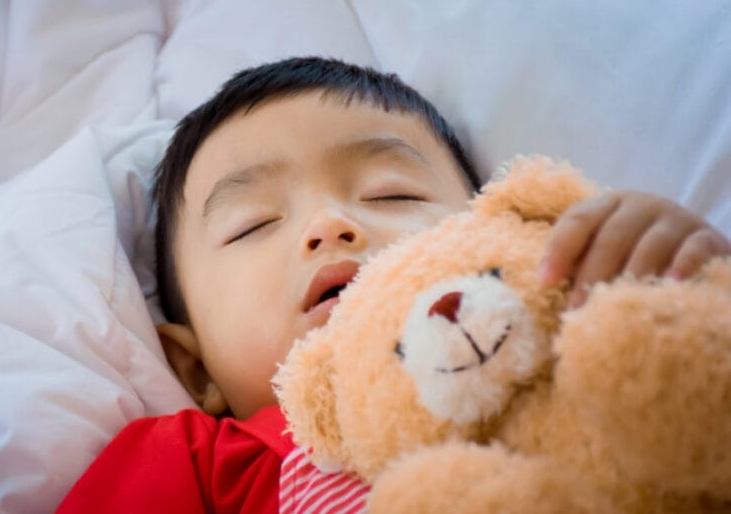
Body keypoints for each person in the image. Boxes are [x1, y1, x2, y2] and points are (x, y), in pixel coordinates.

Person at [56, 57, 730, 513]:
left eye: (393, 192)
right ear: (196, 369)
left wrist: (690, 282)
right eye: (252, 224)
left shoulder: (574, 332)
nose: (329, 223)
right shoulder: (202, 464)